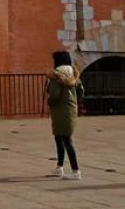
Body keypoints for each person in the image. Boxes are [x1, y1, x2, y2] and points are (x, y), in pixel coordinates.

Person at [45, 50, 84, 180]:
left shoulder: (56, 77)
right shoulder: (74, 76)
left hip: (59, 110)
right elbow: (81, 92)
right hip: (71, 109)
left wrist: (49, 101)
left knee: (65, 140)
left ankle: (76, 171)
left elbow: (54, 95)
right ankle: (59, 167)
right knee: (61, 137)